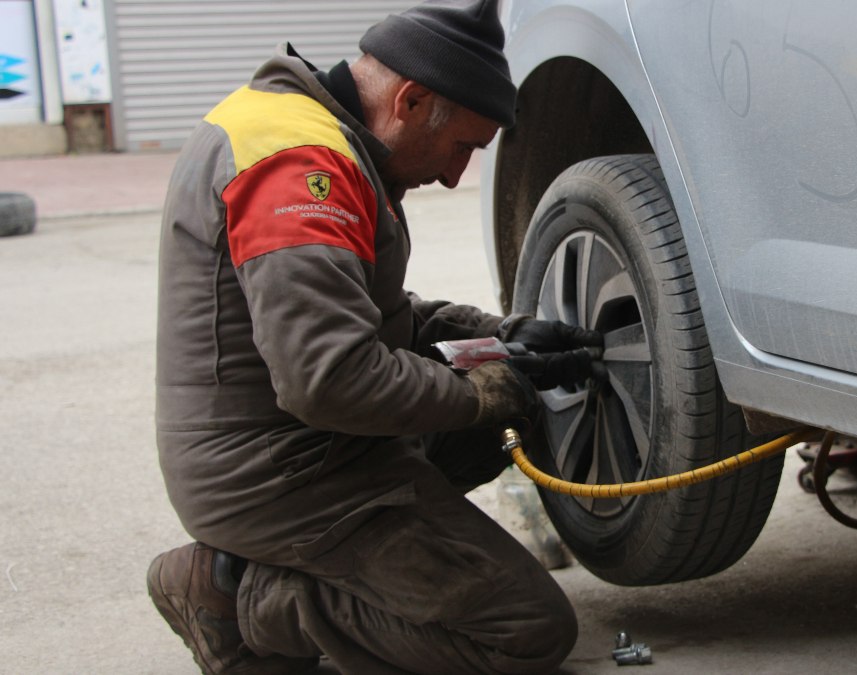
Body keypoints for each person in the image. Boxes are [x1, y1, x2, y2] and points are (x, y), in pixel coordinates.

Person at [145, 1, 599, 673]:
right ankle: (240, 595)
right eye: (462, 148)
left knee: (517, 401)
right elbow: (329, 376)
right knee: (524, 628)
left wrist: (500, 337)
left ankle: (320, 565)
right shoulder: (300, 173)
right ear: (412, 100)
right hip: (278, 472)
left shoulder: (319, 134)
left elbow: (369, 313)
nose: (452, 175)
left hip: (305, 438)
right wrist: (476, 393)